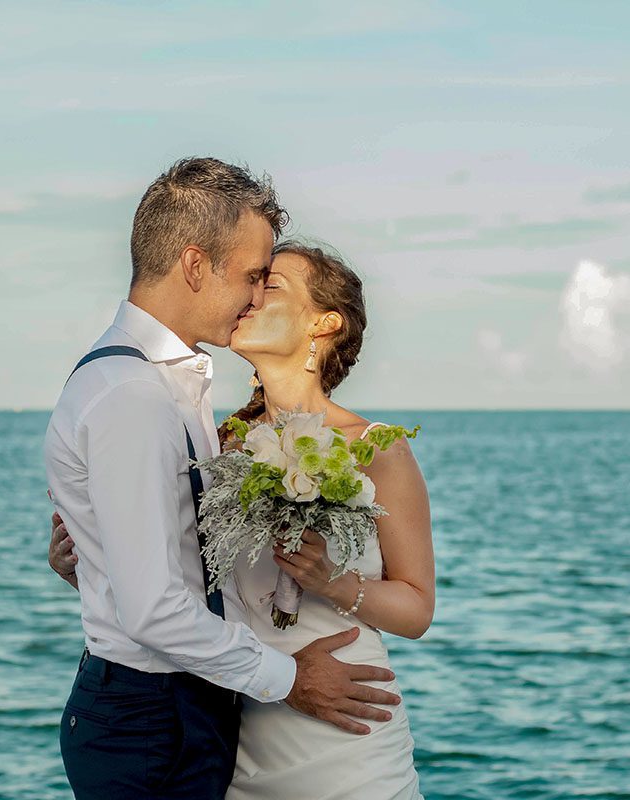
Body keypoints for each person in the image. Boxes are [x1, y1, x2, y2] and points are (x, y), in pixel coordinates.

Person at [44, 159, 402, 800]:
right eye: (251, 275)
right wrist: (290, 681)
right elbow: (154, 606)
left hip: (204, 705)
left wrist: (94, 559)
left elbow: (173, 555)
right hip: (157, 713)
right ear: (194, 265)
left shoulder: (177, 387)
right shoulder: (135, 393)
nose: (254, 295)